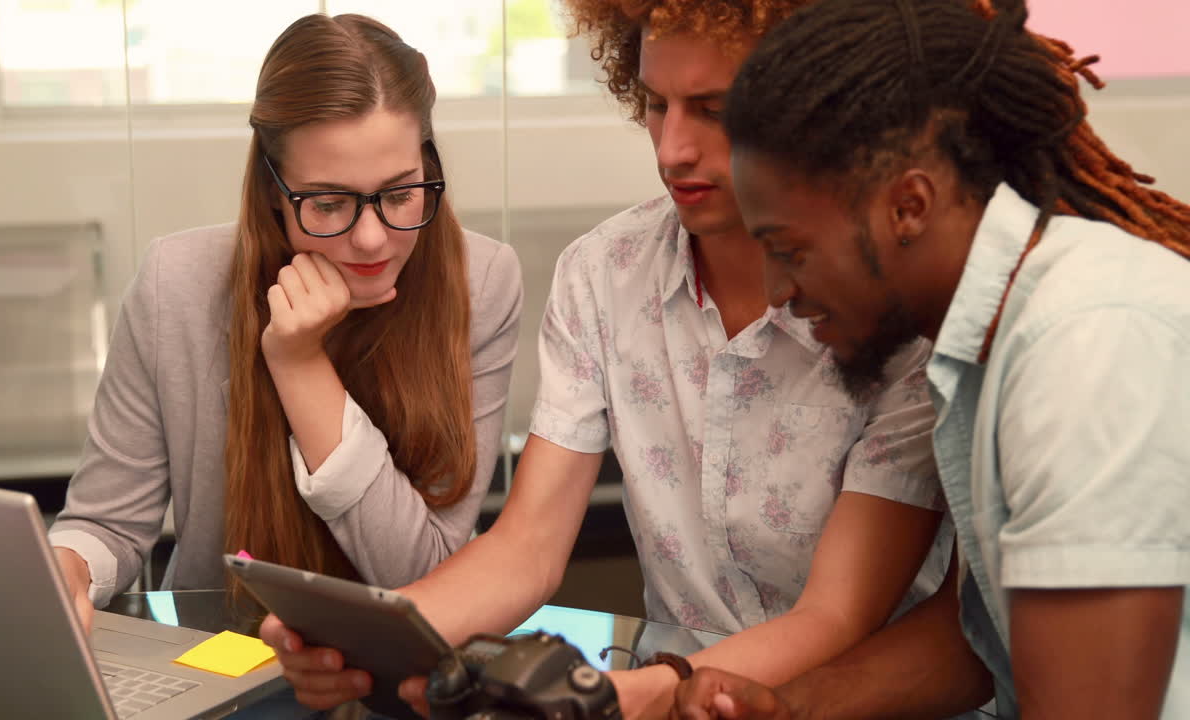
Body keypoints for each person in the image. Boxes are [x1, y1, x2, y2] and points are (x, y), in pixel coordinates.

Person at [262, 1, 956, 716]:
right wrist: (372, 638)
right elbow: (528, 548)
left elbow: (838, 614)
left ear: (817, 109)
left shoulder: (902, 308)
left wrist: (634, 694)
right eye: (655, 104)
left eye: (714, 110)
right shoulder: (604, 273)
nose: (672, 149)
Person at [671, 0, 1190, 716]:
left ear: (909, 206)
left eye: (790, 250)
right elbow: (983, 639)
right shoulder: (991, 331)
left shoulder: (1085, 344)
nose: (780, 292)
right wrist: (785, 708)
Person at [49, 13, 522, 633]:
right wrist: (69, 565)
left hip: (404, 661)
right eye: (328, 203)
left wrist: (300, 364)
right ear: (273, 190)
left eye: (400, 193)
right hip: (215, 651)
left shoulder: (482, 282)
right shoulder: (178, 282)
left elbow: (423, 572)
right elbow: (106, 522)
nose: (371, 237)